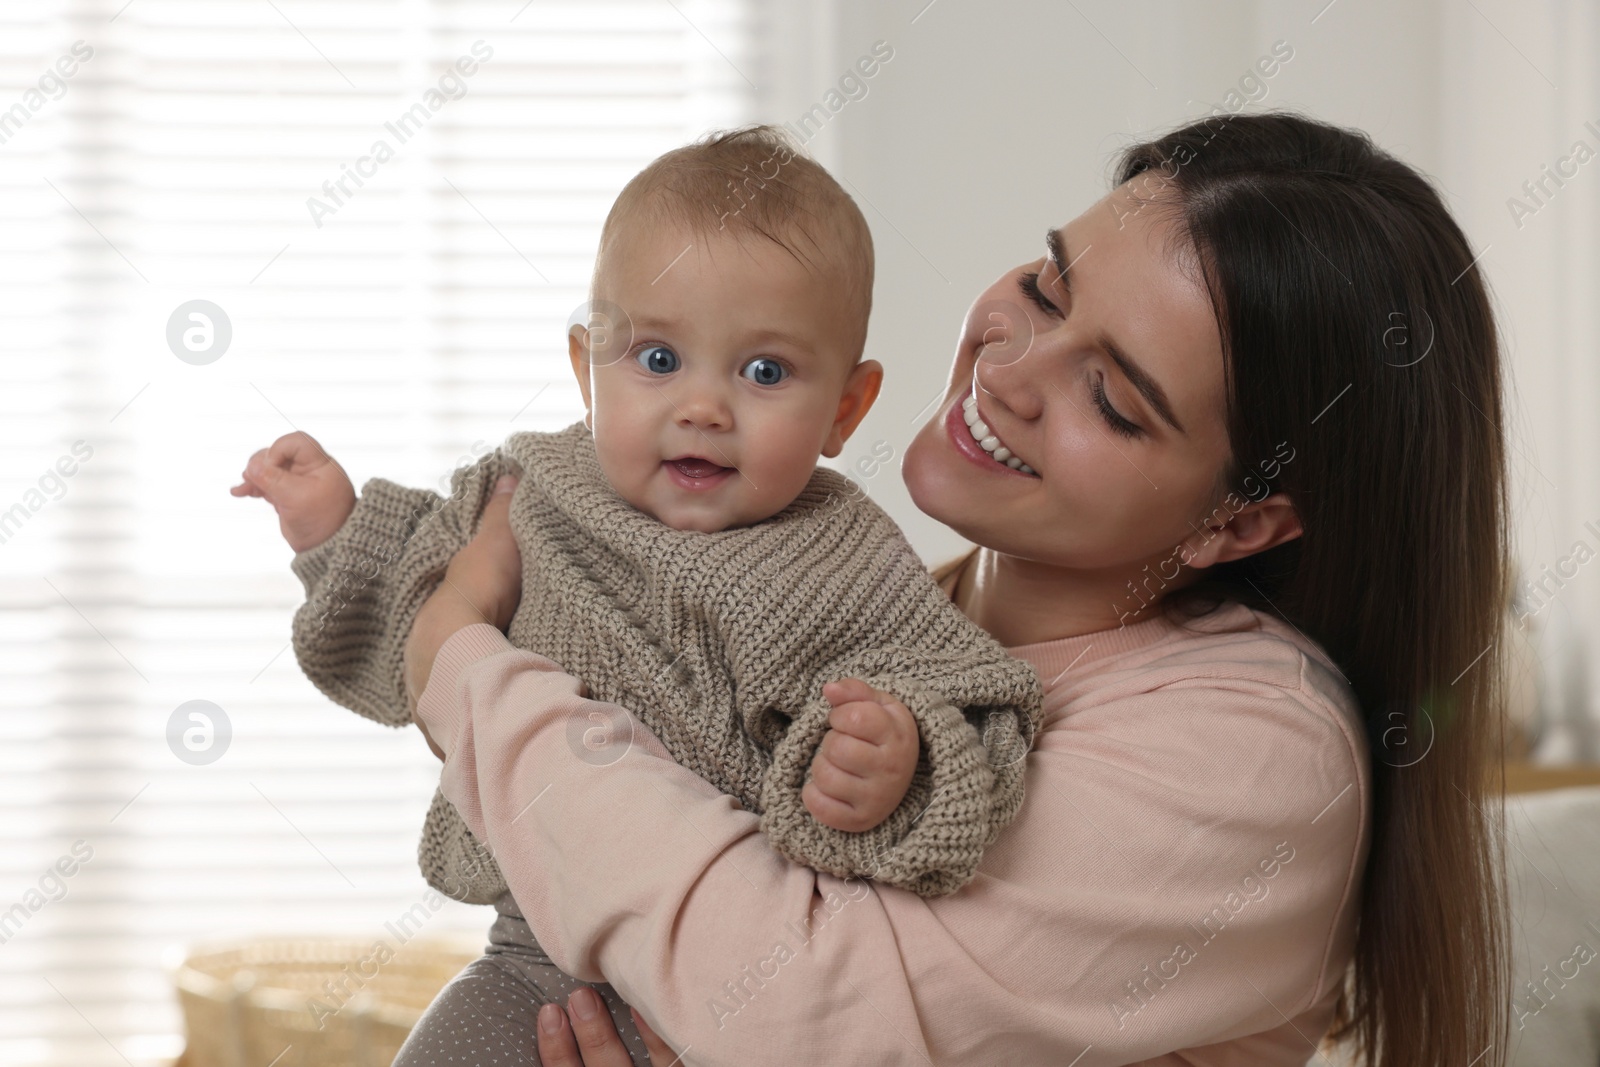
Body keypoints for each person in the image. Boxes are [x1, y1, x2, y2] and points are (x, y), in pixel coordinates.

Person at [404, 112, 1513, 1066]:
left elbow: (795, 1004)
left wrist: (462, 665)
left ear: (1243, 516)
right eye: (1043, 287)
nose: (1011, 370)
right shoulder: (861, 615)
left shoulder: (1259, 746)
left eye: (1113, 400)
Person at [233, 126, 1042, 1066]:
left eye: (765, 371)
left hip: (733, 987)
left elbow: (960, 694)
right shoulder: (529, 492)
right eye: (657, 360)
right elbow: (420, 587)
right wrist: (332, 527)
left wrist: (894, 756)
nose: (702, 406)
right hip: (531, 959)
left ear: (845, 410)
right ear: (585, 368)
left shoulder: (842, 555)